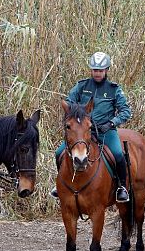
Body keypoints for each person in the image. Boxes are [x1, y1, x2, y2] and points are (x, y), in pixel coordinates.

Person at [50, 51, 132, 202]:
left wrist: (112, 123)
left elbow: (126, 111)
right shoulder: (81, 86)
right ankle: (60, 183)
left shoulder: (114, 89)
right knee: (59, 152)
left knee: (118, 154)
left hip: (105, 131)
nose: (97, 73)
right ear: (91, 70)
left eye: (100, 70)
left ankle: (121, 187)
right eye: (95, 70)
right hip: (81, 131)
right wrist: (75, 114)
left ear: (106, 70)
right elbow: (69, 102)